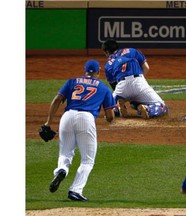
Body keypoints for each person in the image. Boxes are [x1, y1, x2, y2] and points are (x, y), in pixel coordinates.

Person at [42, 59, 116, 201]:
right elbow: (109, 117)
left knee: (65, 153)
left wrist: (48, 123)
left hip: (67, 117)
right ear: (98, 72)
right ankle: (75, 190)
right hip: (86, 119)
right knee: (87, 160)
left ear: (85, 70)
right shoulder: (104, 88)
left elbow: (57, 99)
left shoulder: (72, 81)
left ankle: (62, 170)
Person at [101, 39, 168, 119]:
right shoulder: (132, 51)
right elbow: (146, 68)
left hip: (121, 87)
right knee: (163, 107)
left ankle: (116, 109)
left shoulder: (108, 64)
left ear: (107, 52)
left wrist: (125, 98)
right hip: (139, 82)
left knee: (110, 107)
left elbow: (114, 86)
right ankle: (148, 109)